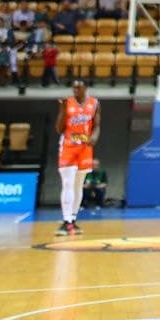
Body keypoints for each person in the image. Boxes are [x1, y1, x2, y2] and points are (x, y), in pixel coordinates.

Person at [54, 80, 100, 237]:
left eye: (78, 87)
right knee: (68, 183)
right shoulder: (67, 102)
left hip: (85, 147)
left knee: (78, 185)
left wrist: (94, 136)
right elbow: (59, 129)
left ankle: (73, 219)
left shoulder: (94, 103)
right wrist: (62, 109)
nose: (75, 90)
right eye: (73, 87)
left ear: (85, 88)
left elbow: (97, 125)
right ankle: (66, 221)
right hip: (68, 146)